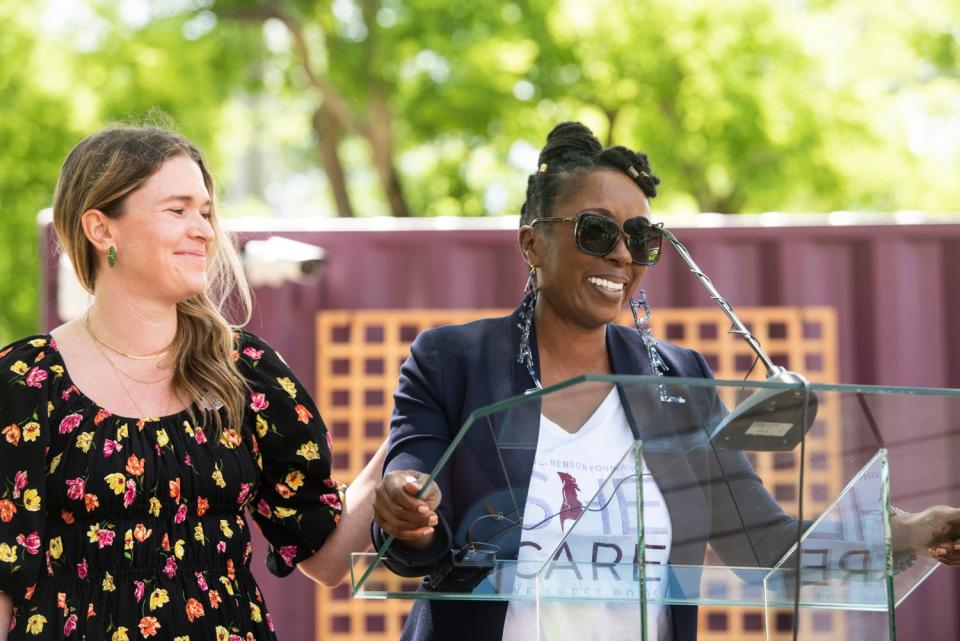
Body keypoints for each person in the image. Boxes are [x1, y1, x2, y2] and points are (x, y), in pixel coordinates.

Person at [372, 121, 960, 641]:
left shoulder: (679, 380)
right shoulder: (454, 361)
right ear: (532, 241)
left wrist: (905, 532)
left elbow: (764, 545)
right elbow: (412, 502)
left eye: (641, 239)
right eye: (597, 232)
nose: (623, 256)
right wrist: (408, 511)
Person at [0, 125, 382, 640]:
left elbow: (327, 560)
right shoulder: (27, 382)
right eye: (177, 210)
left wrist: (414, 442)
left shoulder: (246, 372)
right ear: (101, 229)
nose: (204, 230)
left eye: (205, 212)